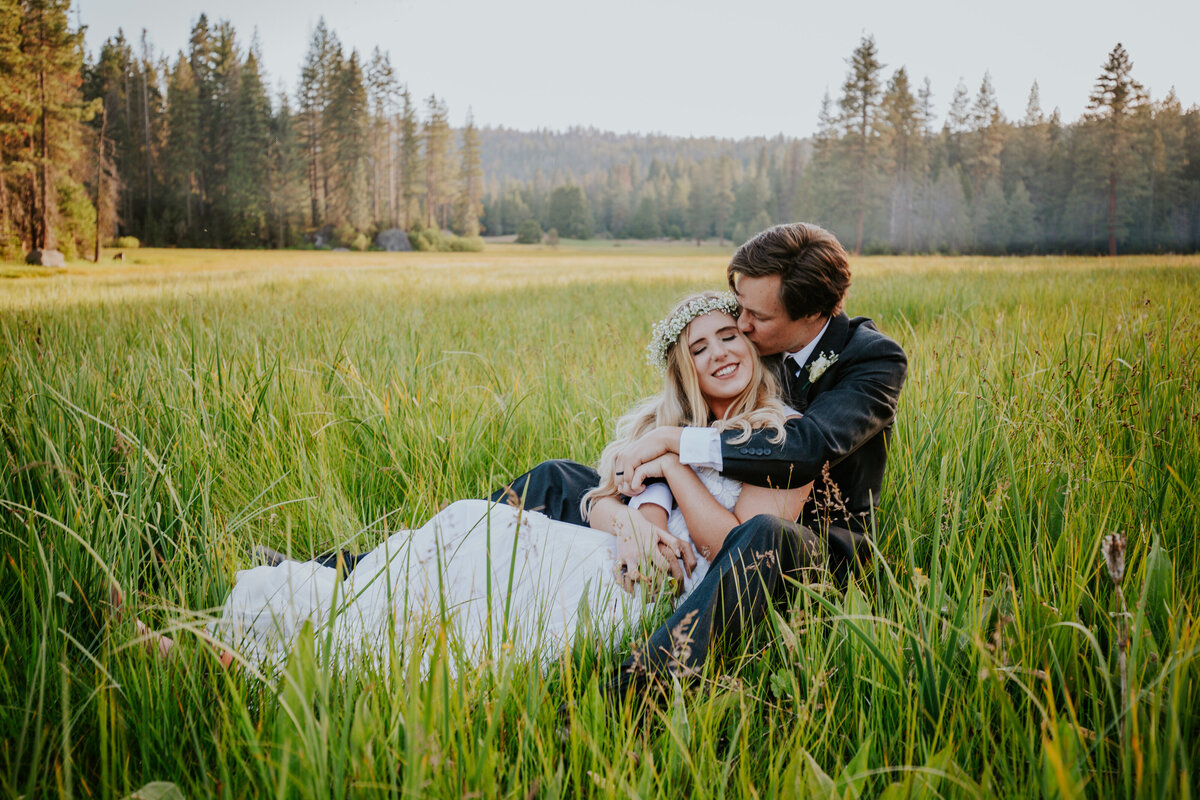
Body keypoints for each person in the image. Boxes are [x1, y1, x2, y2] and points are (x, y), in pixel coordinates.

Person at [119, 292, 811, 673]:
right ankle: (248, 627)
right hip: (618, 557)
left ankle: (256, 669)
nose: (720, 353)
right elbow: (608, 499)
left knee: (473, 611)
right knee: (467, 528)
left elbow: (739, 542)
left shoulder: (782, 434)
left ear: (753, 347)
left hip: (666, 597)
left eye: (730, 339)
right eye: (701, 347)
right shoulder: (661, 425)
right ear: (683, 369)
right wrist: (631, 518)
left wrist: (679, 464)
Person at [498, 222, 907, 694]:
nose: (744, 327)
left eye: (754, 318)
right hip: (708, 504)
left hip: (810, 545)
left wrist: (677, 449)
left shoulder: (871, 359)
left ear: (810, 314)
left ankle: (641, 688)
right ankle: (442, 563)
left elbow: (807, 448)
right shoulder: (753, 345)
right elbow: (682, 417)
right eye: (741, 311)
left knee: (762, 533)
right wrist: (636, 517)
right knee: (557, 478)